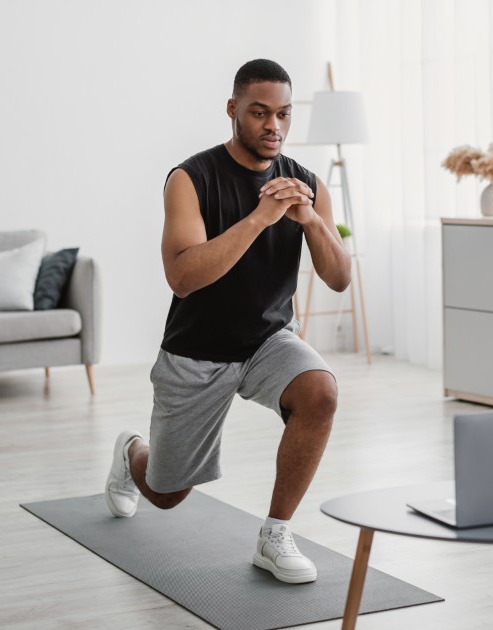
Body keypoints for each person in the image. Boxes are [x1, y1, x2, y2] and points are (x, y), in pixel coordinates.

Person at [104, 59, 351, 584]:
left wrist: (309, 220)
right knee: (168, 494)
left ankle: (276, 534)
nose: (274, 127)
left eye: (283, 114)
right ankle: (132, 456)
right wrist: (261, 218)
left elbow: (339, 278)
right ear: (233, 109)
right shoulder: (190, 178)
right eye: (260, 113)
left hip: (268, 341)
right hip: (197, 350)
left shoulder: (305, 185)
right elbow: (184, 277)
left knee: (321, 392)